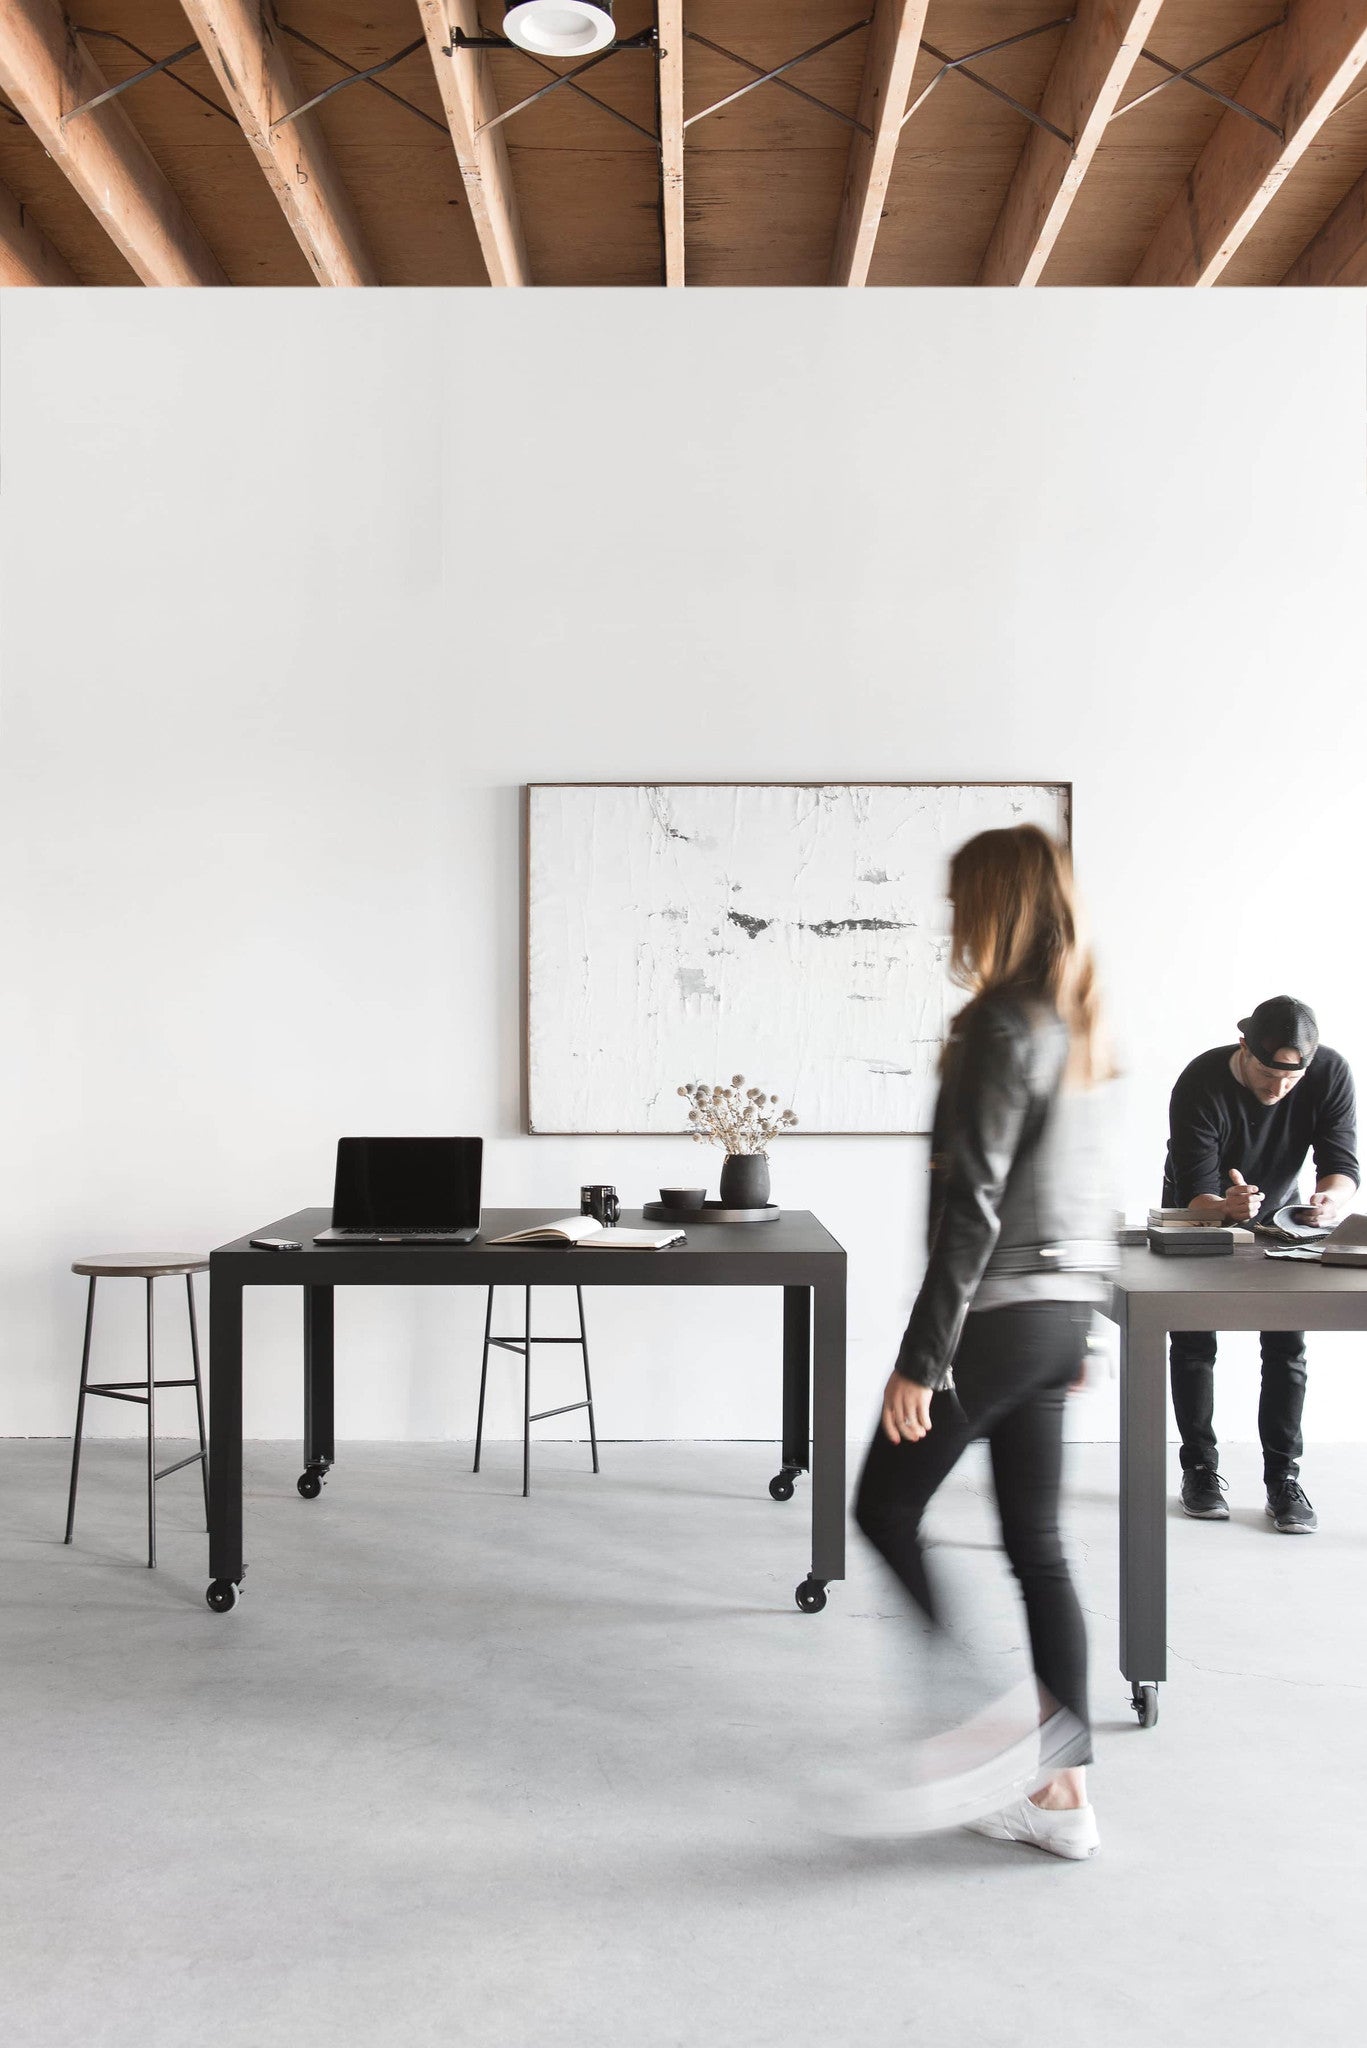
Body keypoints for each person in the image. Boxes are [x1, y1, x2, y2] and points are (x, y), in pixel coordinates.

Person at [853, 825, 1115, 1862]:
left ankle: (996, 1735)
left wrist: (923, 1356)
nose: (948, 917)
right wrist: (1076, 1326)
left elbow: (972, 1203)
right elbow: (1086, 1188)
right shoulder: (1073, 1025)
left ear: (992, 903)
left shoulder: (998, 1026)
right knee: (1036, 1549)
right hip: (1055, 1318)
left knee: (880, 1504)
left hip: (997, 1316)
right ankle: (1063, 1799)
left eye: (959, 897)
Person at [1164, 996, 1358, 1534]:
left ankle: (1282, 1479)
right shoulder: (1200, 1079)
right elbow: (1196, 1191)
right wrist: (1224, 1209)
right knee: (1194, 1338)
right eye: (1268, 1075)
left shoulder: (1331, 1072)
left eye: (1290, 1081)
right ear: (1244, 1045)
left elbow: (1341, 1164)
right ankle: (1200, 1469)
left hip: (1280, 1214)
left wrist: (1328, 1201)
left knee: (1286, 1340)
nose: (1277, 1092)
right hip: (1198, 1207)